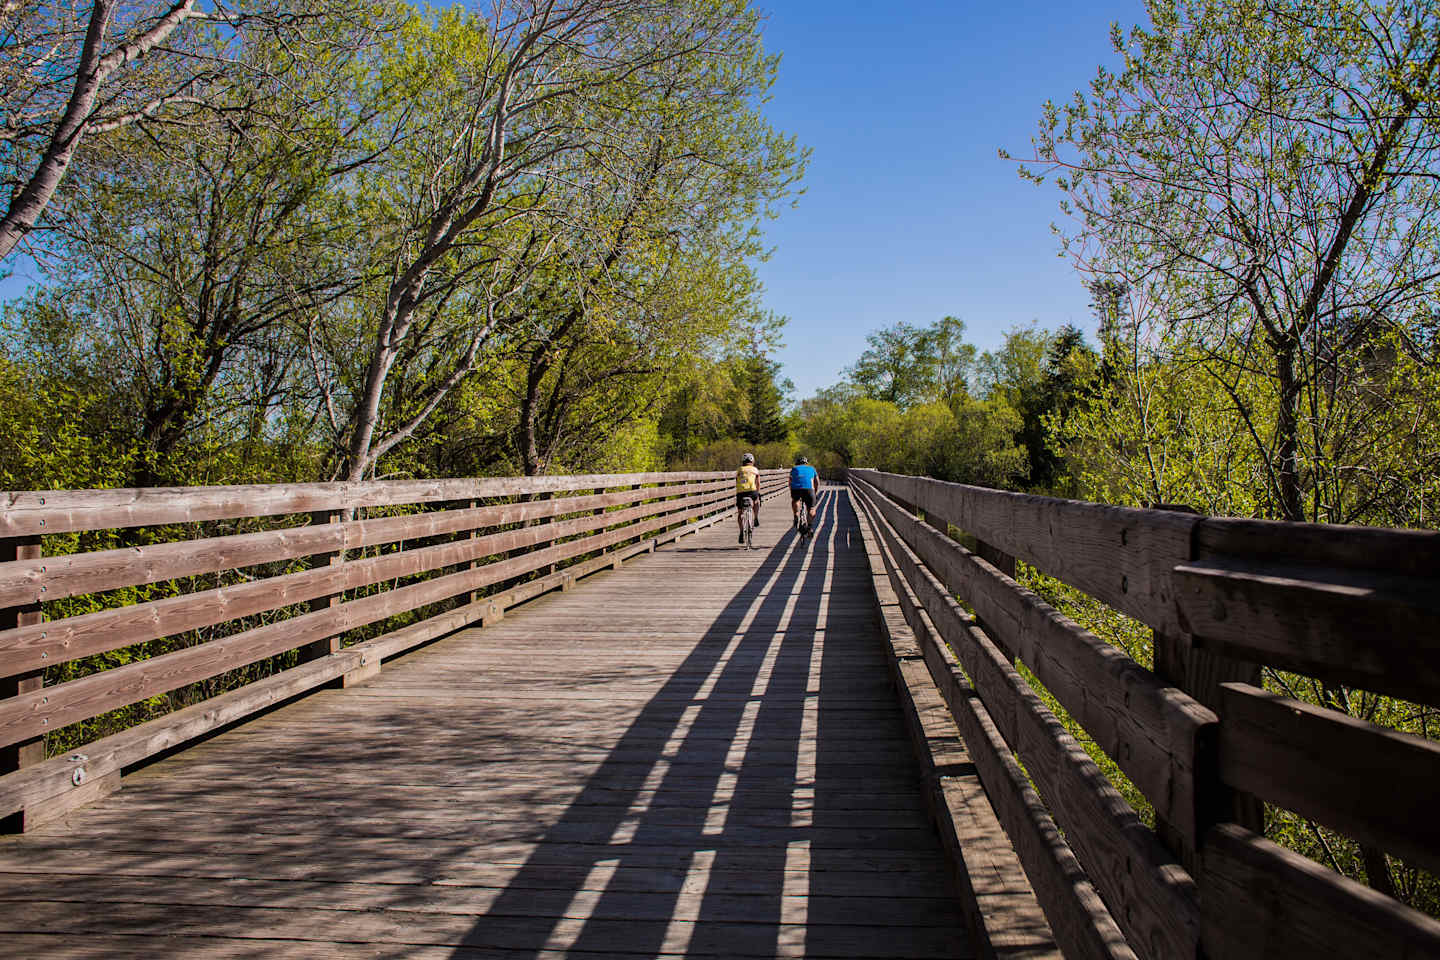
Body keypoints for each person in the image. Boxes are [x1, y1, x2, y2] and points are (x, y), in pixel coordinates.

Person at [735, 452, 761, 544]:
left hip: (741, 493)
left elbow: (737, 482)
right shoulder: (755, 469)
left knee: (740, 513)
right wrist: (757, 493)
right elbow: (758, 483)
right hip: (752, 492)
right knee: (757, 501)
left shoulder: (739, 470)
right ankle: (756, 517)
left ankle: (741, 531)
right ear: (752, 461)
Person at [789, 454, 818, 532]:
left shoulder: (794, 469)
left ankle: (796, 514)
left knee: (795, 500)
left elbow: (790, 481)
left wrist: (791, 490)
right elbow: (816, 482)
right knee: (811, 508)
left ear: (797, 463)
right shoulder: (812, 468)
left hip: (796, 489)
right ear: (806, 463)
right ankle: (810, 526)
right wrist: (815, 492)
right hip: (809, 489)